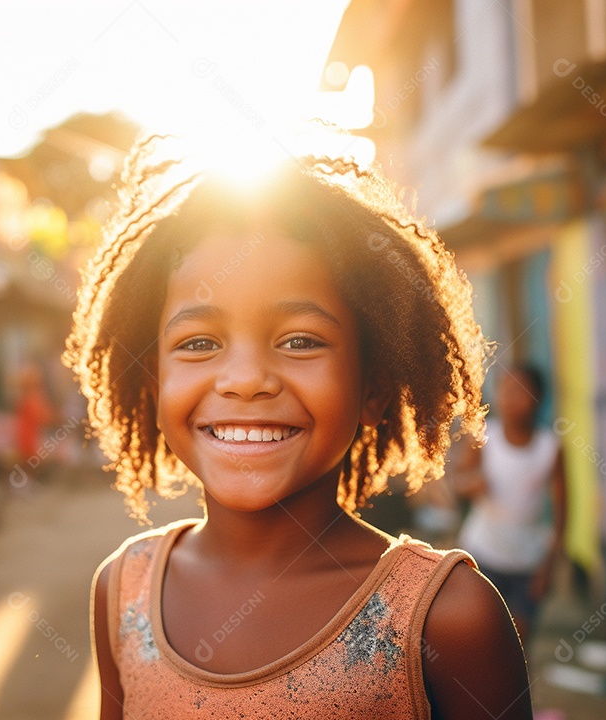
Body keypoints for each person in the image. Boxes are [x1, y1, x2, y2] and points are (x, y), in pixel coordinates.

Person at [63, 138, 532, 719]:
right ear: (154, 382)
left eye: (300, 341)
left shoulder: (446, 618)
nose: (245, 380)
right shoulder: (122, 592)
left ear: (373, 389)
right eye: (199, 343)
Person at [457, 364, 566, 647]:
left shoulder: (549, 448)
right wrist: (473, 483)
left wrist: (548, 568)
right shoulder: (484, 437)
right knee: (482, 637)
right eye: (505, 389)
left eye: (520, 391)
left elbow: (562, 513)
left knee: (518, 643)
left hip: (527, 563)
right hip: (482, 556)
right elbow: (457, 482)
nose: (509, 398)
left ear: (538, 399)